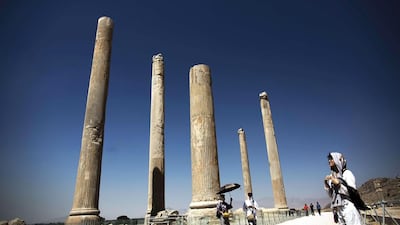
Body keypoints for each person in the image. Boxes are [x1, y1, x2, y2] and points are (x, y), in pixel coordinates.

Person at [324, 152, 363, 225]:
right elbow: (331, 195)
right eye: (329, 159)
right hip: (339, 209)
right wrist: (326, 184)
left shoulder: (347, 174)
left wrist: (338, 183)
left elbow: (352, 191)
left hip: (348, 207)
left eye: (331, 158)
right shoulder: (332, 176)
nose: (329, 161)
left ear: (337, 159)